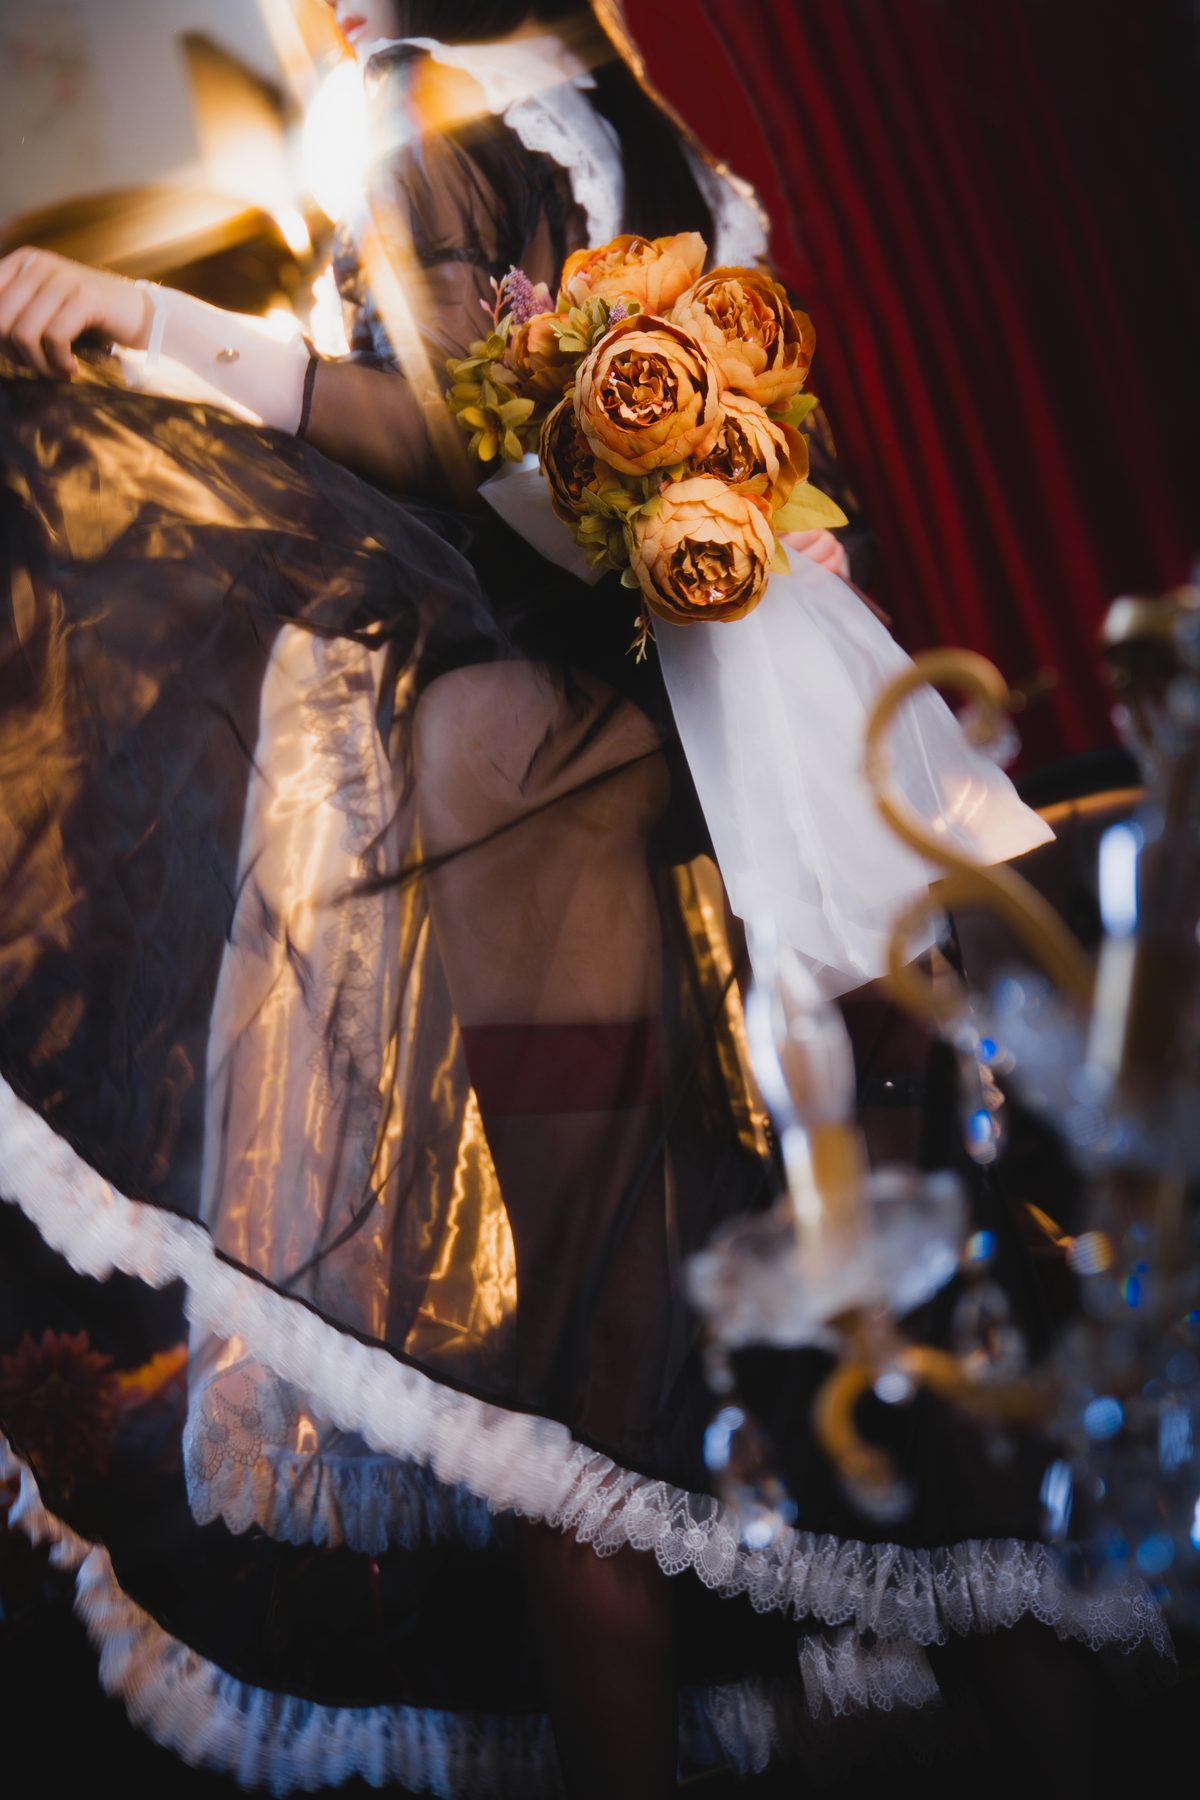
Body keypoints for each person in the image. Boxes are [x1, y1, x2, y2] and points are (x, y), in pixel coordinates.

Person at [0, 3, 1164, 1797]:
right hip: (728, 745)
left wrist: (156, 316)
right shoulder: (595, 107)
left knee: (643, 1361)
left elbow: (458, 431)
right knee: (875, 1322)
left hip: (598, 755)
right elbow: (513, 434)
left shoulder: (448, 103)